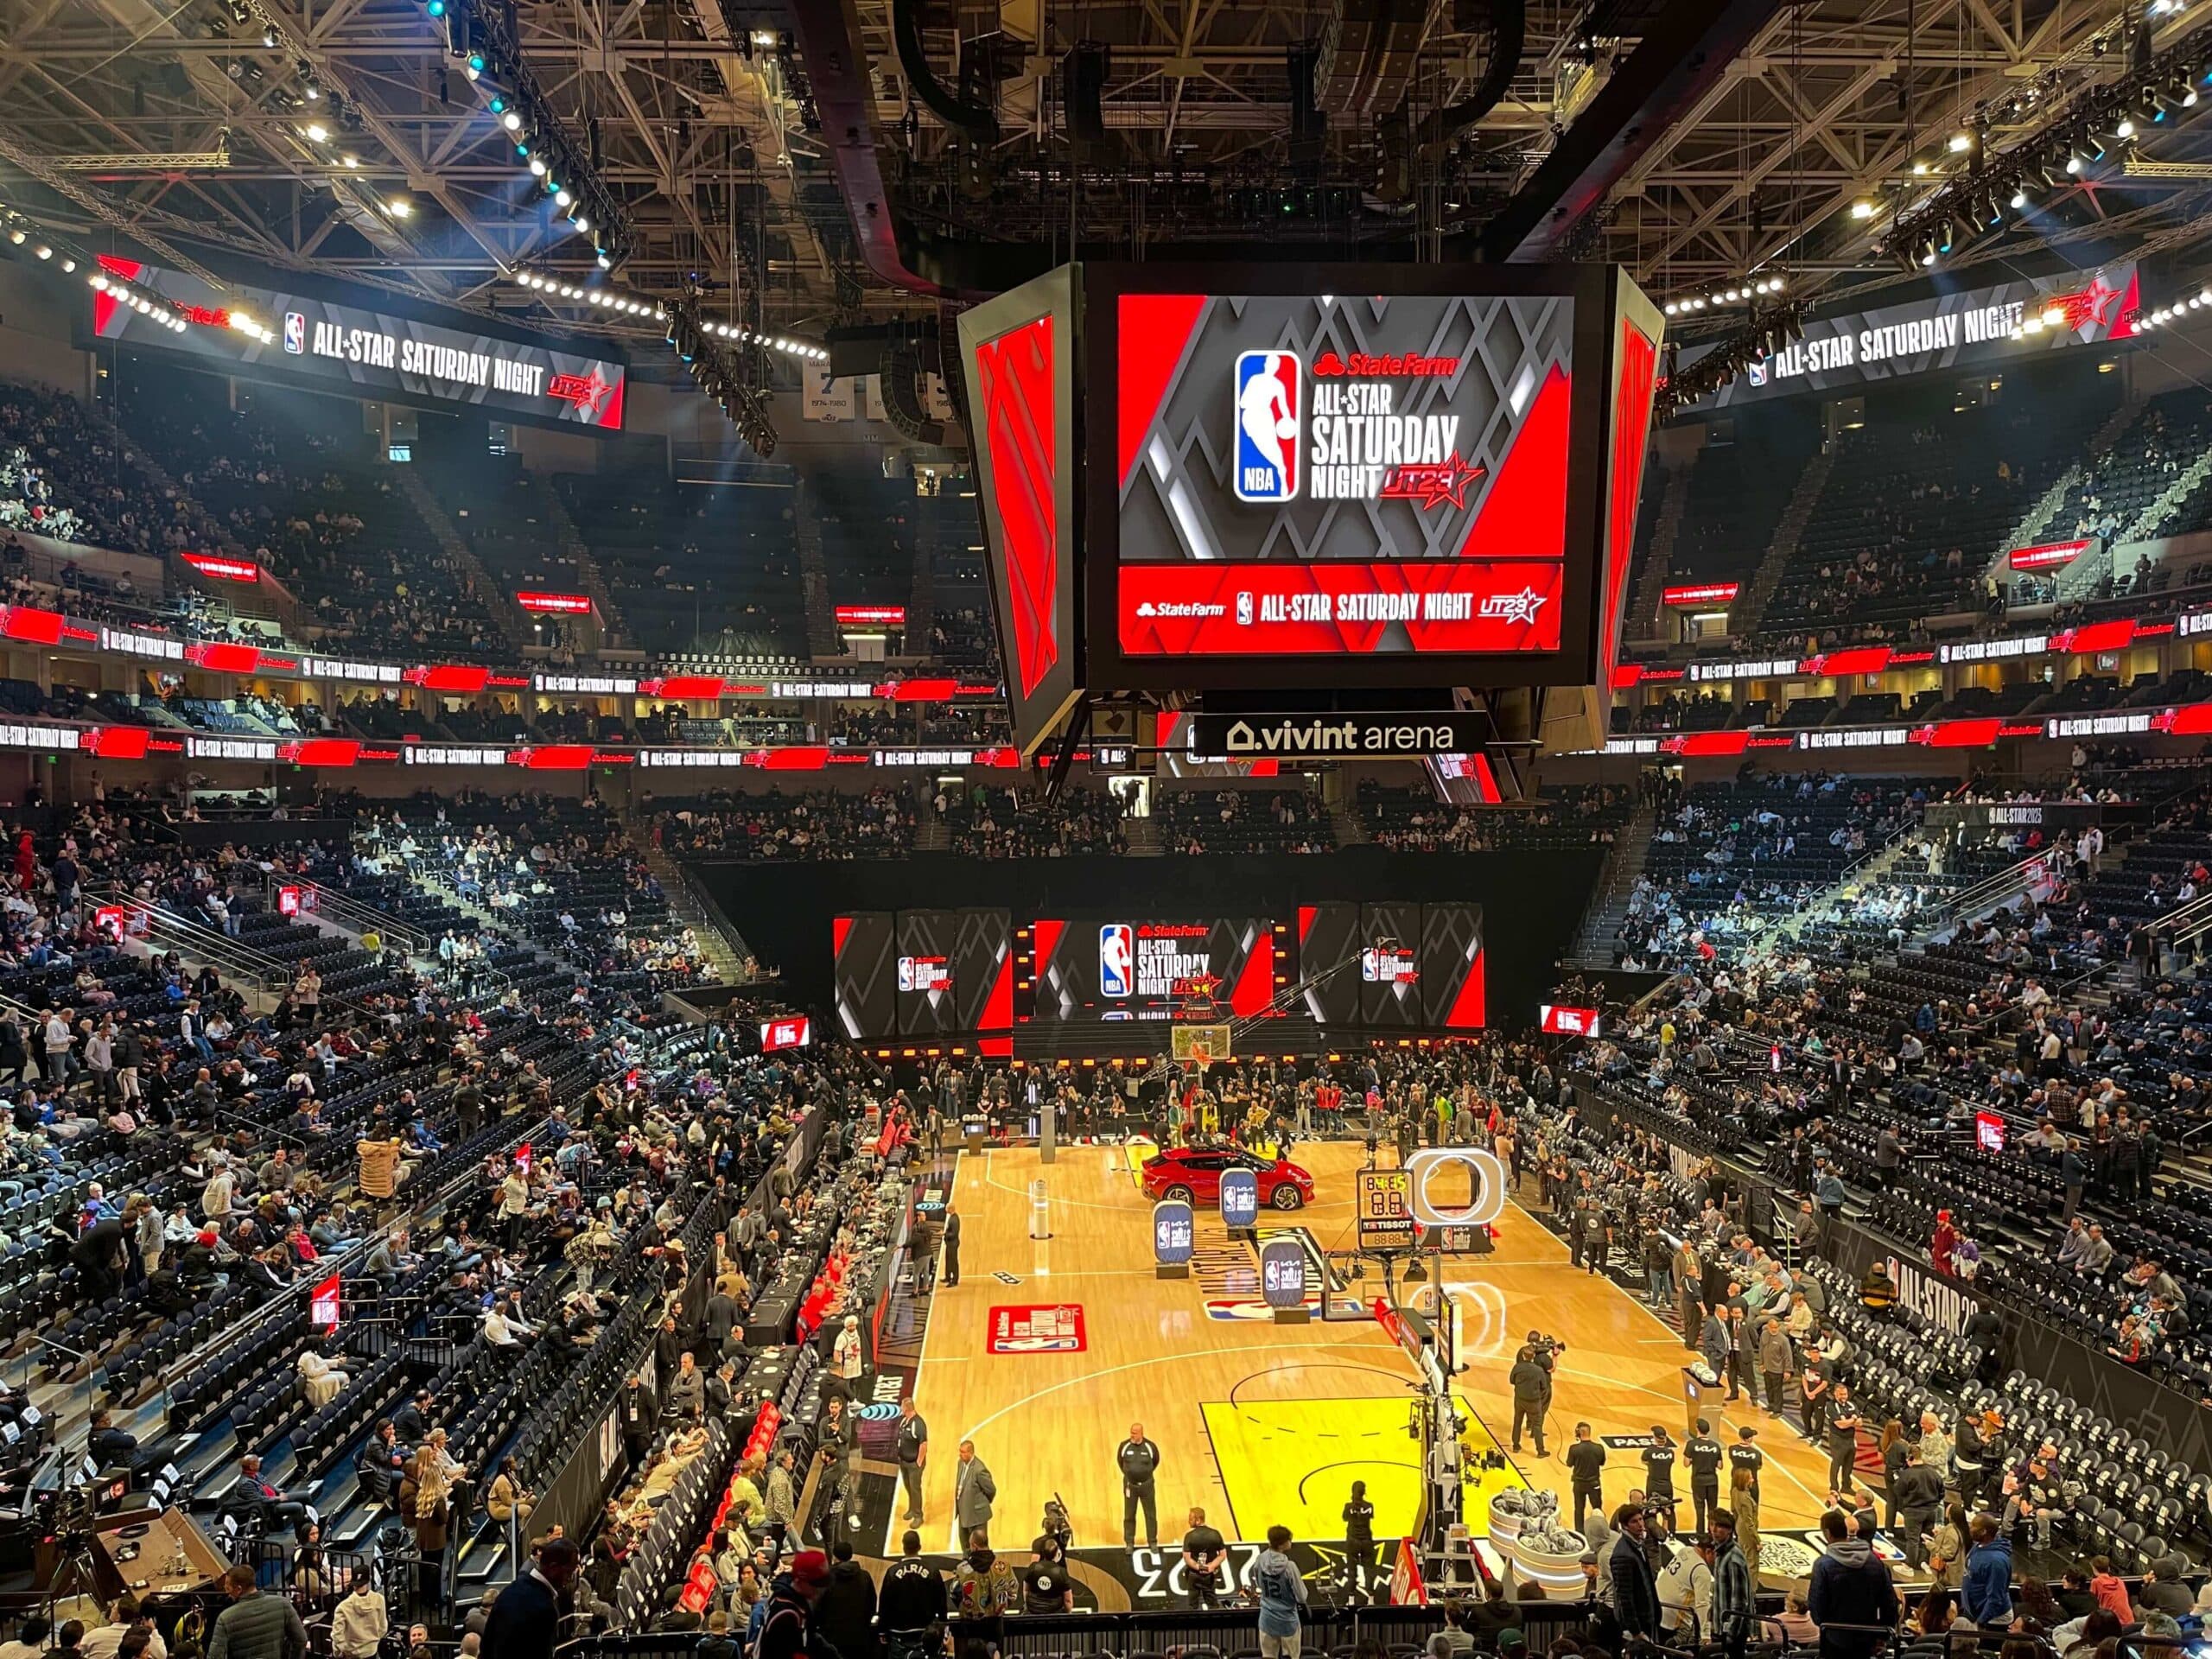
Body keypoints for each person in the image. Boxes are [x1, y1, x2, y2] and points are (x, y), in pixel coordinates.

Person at [1808, 1505, 1898, 1659]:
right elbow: (1890, 1602)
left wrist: (1827, 1628)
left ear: (1827, 1534)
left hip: (1834, 1637)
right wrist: (1881, 1634)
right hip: (1867, 1636)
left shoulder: (1823, 1565)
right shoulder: (1874, 1561)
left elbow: (1816, 1606)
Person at [206, 1563, 308, 1659]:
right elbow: (301, 1639)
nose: (226, 1591)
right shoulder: (283, 1604)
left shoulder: (225, 1618)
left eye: (228, 1587)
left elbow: (215, 1656)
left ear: (239, 1589)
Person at [878, 1531, 948, 1649]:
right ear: (919, 1547)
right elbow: (941, 1600)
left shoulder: (892, 1572)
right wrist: (943, 1624)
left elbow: (884, 1603)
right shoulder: (932, 1570)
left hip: (898, 1632)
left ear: (903, 1548)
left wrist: (882, 1630)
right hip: (926, 1631)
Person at [756, 1549, 831, 1659]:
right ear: (799, 1581)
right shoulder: (786, 1614)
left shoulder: (793, 1600)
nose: (819, 1590)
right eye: (815, 1584)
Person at [810, 1541, 878, 1659]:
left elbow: (817, 1608)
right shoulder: (865, 1577)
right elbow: (872, 1604)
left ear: (835, 1557)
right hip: (858, 1637)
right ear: (851, 1556)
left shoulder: (826, 1579)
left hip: (831, 1638)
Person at [1254, 1524, 1307, 1658]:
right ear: (1282, 1544)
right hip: (1287, 1620)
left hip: (1267, 1618)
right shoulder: (1290, 1566)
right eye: (1289, 1540)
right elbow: (1302, 1597)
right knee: (1291, 1656)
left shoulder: (1260, 1560)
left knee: (1268, 1656)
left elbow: (1259, 1584)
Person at [1609, 1504, 1660, 1637]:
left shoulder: (1639, 1545)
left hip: (1648, 1618)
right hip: (1638, 1625)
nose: (1640, 1524)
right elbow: (1624, 1597)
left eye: (1641, 1519)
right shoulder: (1622, 1555)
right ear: (1625, 1526)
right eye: (1634, 1521)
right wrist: (1635, 1630)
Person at [1710, 1510, 1756, 1659]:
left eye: (1720, 1526)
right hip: (1721, 1628)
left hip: (1732, 1633)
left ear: (1729, 1530)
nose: (1714, 1530)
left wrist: (1730, 1635)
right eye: (1712, 1525)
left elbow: (1740, 1602)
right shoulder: (1720, 1551)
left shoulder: (1734, 1558)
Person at [1961, 1513, 2014, 1628]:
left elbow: (1995, 1598)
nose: (1970, 1528)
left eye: (1974, 1526)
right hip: (1976, 1611)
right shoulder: (1978, 1546)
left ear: (1984, 1532)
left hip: (1993, 1619)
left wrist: (1980, 1623)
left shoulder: (1996, 1562)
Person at [1117, 1421, 1161, 1548]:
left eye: (1135, 1433)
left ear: (1141, 1433)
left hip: (1146, 1486)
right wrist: (1130, 1474)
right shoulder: (1124, 1446)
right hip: (1130, 1486)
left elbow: (1156, 1461)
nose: (1132, 1435)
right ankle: (1129, 1542)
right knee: (1129, 1515)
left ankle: (1152, 1541)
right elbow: (1120, 1462)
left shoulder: (1150, 1446)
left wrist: (1145, 1474)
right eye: (1131, 1432)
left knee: (1150, 1515)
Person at [1182, 1505, 1229, 1610]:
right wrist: (1211, 1566)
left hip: (1194, 1574)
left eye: (1190, 1519)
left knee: (1192, 1605)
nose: (1188, 1521)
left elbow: (1187, 1558)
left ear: (1198, 1520)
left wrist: (1199, 1567)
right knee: (1212, 1604)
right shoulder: (1215, 1534)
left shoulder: (1189, 1536)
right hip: (1209, 1575)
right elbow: (1223, 1555)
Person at [330, 1580, 387, 1659]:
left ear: (353, 1585)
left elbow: (337, 1636)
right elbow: (383, 1628)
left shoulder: (343, 1607)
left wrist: (337, 1653)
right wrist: (372, 1644)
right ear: (368, 1581)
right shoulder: (380, 1599)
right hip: (371, 1652)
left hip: (350, 1654)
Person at [1565, 1421, 1605, 1533]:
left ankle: (1579, 1532)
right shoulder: (1599, 1448)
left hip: (1579, 1484)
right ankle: (1600, 1531)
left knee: (1579, 1509)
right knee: (1597, 1509)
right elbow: (1602, 1463)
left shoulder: (1574, 1448)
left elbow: (1569, 1463)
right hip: (1594, 1483)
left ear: (1579, 1433)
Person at [1509, 1344, 1549, 1456]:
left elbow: (1511, 1380)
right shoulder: (1539, 1370)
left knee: (1517, 1421)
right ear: (1533, 1356)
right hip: (1534, 1402)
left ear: (1523, 1355)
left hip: (1520, 1399)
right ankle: (1540, 1451)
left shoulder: (1517, 1367)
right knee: (1537, 1425)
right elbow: (1544, 1386)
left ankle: (1516, 1445)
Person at [895, 1396, 929, 1527]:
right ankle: (911, 1508)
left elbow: (924, 1444)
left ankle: (918, 1515)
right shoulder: (905, 1421)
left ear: (906, 1408)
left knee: (915, 1489)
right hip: (904, 1461)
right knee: (908, 1487)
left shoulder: (918, 1424)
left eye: (902, 1406)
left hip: (913, 1464)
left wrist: (918, 1462)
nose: (901, 1409)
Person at [952, 1440, 995, 1546]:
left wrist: (981, 1504)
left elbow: (991, 1490)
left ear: (970, 1453)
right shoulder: (960, 1463)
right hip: (964, 1513)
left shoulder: (979, 1470)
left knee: (980, 1546)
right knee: (965, 1545)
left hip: (977, 1517)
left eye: (963, 1452)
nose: (960, 1455)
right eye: (960, 1451)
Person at [1687, 1419, 1724, 1537]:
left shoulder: (1691, 1444)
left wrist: (1695, 1460)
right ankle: (1712, 1532)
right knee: (1712, 1509)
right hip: (1712, 1480)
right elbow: (1720, 1466)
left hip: (1698, 1480)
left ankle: (1700, 1533)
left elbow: (1686, 1463)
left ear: (1697, 1429)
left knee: (1700, 1508)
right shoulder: (1715, 1445)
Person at [1342, 1480, 1376, 1599]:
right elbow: (1370, 1517)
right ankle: (1371, 1598)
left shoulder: (1348, 1506)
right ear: (1364, 1492)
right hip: (1366, 1540)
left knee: (1351, 1570)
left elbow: (1345, 1518)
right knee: (1369, 1569)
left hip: (1352, 1541)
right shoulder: (1369, 1506)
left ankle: (1351, 1598)